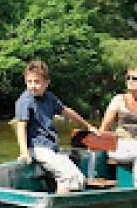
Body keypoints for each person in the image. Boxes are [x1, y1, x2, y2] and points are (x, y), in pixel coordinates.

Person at [14, 59, 97, 194]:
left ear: (46, 83)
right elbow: (21, 127)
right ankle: (60, 205)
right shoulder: (24, 102)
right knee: (69, 175)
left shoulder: (49, 97)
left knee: (79, 177)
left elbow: (67, 112)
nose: (33, 86)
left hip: (51, 147)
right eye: (29, 82)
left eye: (37, 82)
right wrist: (24, 152)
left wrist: (87, 126)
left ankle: (64, 199)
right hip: (37, 148)